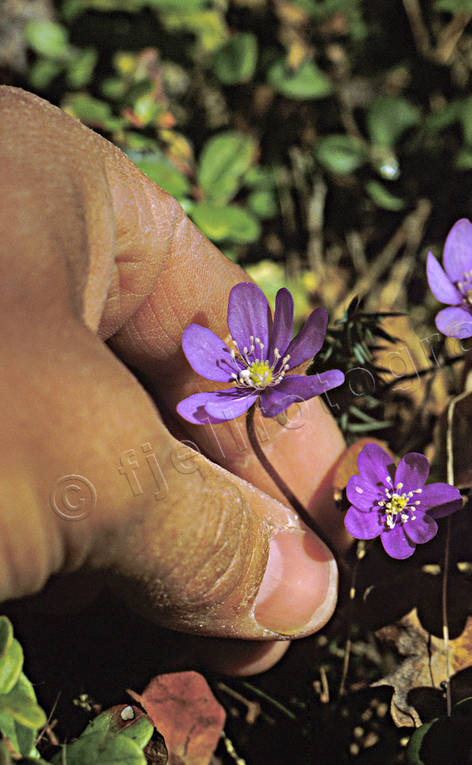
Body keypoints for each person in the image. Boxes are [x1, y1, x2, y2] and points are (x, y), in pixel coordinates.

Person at [0, 86, 346, 675]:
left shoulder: (279, 377)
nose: (261, 372)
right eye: (254, 369)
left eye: (269, 366)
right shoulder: (232, 390)